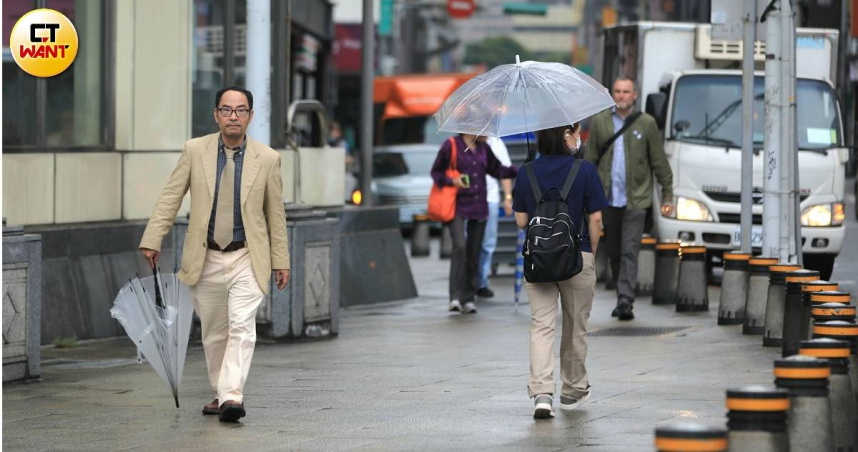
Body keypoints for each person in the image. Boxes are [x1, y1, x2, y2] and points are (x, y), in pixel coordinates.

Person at [139, 86, 290, 422]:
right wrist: (153, 238)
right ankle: (221, 393)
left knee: (241, 325)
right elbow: (170, 197)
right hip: (205, 255)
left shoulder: (267, 159)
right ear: (216, 115)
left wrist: (281, 261)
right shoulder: (195, 151)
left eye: (240, 110)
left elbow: (275, 216)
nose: (233, 116)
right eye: (226, 110)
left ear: (251, 116)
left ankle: (231, 396)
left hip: (247, 256)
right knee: (214, 332)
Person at [513, 122, 607, 419]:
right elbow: (595, 219)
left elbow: (520, 221)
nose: (579, 138)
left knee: (541, 326)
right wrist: (590, 253)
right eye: (577, 132)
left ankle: (542, 392)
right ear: (566, 135)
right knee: (575, 327)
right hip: (576, 255)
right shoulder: (585, 170)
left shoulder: (526, 172)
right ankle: (573, 388)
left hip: (538, 260)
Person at [584, 77, 673, 321]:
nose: (621, 95)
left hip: (637, 199)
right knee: (613, 250)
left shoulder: (646, 124)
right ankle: (621, 290)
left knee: (630, 249)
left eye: (626, 92)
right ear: (612, 94)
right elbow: (590, 160)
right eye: (617, 91)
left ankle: (625, 299)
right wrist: (585, 194)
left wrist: (667, 195)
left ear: (635, 95)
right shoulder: (601, 122)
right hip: (608, 198)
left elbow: (659, 162)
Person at [431, 134, 517, 314]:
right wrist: (452, 181)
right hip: (455, 206)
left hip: (478, 206)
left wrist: (520, 171)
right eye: (485, 128)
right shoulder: (451, 145)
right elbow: (436, 172)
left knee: (474, 252)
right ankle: (455, 297)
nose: (489, 133)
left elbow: (497, 170)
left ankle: (468, 297)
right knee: (460, 247)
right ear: (472, 128)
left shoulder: (484, 148)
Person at [477, 136, 514, 298]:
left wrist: (507, 197)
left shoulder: (497, 143)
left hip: (490, 200)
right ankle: (469, 280)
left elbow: (504, 170)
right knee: (468, 243)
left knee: (487, 243)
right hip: (468, 200)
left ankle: (481, 281)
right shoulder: (466, 144)